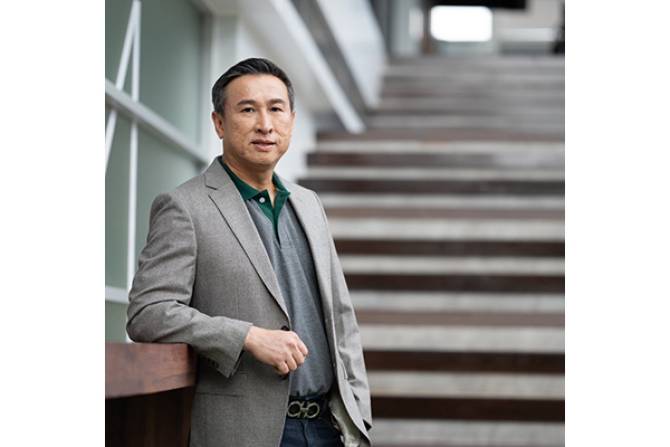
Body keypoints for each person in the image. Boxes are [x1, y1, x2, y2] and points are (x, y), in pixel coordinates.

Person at [126, 58, 372, 447]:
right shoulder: (185, 207)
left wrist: (359, 409)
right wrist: (245, 336)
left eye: (276, 109)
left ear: (292, 119)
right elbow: (148, 313)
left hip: (330, 428)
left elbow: (341, 319)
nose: (265, 125)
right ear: (219, 123)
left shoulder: (308, 204)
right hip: (245, 432)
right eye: (247, 110)